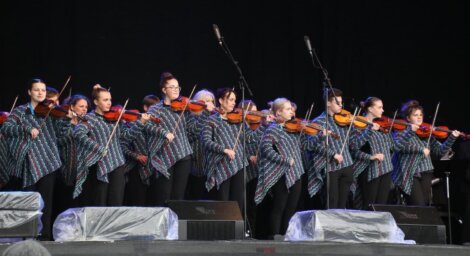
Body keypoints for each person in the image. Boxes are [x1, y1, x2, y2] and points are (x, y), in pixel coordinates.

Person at [1, 78, 72, 240]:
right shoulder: (21, 111)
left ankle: (45, 235)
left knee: (46, 201)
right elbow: (6, 128)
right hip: (28, 162)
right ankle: (27, 235)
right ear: (29, 92)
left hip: (48, 160)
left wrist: (67, 119)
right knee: (29, 201)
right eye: (37, 90)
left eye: (43, 90)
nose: (41, 93)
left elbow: (61, 135)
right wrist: (27, 129)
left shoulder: (51, 112)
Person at [73, 85, 150, 206]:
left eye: (110, 100)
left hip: (117, 162)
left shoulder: (116, 119)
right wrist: (98, 148)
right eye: (105, 100)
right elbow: (78, 133)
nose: (109, 103)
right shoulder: (90, 118)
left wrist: (140, 123)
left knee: (116, 200)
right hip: (99, 163)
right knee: (100, 201)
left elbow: (126, 137)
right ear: (95, 102)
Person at [309, 88, 379, 209]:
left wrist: (368, 131)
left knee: (343, 204)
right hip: (331, 167)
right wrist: (333, 154)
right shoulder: (318, 122)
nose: (341, 106)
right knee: (332, 202)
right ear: (328, 103)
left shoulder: (345, 122)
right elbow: (313, 145)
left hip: (347, 165)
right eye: (338, 103)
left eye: (341, 103)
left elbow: (354, 145)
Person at [201, 88, 263, 215]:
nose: (234, 103)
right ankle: (223, 232)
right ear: (221, 100)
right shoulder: (211, 120)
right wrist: (223, 150)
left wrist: (263, 126)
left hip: (239, 164)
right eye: (230, 100)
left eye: (234, 100)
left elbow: (250, 138)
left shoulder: (239, 121)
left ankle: (238, 232)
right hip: (221, 164)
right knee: (223, 203)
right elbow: (206, 141)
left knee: (238, 202)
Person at [392, 100, 460, 206]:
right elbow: (398, 147)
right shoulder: (401, 132)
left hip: (426, 171)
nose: (419, 117)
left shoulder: (426, 133)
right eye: (415, 115)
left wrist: (452, 138)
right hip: (410, 173)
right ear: (408, 118)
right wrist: (419, 147)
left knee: (424, 204)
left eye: (421, 115)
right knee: (417, 204)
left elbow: (440, 151)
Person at [146, 72, 193, 206]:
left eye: (177, 87)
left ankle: (176, 226)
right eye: (172, 87)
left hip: (183, 155)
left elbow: (192, 131)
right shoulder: (156, 109)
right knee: (163, 196)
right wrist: (163, 132)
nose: (176, 90)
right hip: (163, 156)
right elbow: (147, 126)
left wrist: (204, 114)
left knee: (178, 197)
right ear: (164, 90)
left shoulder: (184, 108)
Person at [122, 94, 161, 206]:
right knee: (138, 201)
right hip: (135, 168)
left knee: (153, 202)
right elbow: (122, 145)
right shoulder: (131, 124)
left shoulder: (158, 127)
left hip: (154, 167)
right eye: (153, 108)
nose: (156, 112)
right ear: (145, 108)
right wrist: (136, 156)